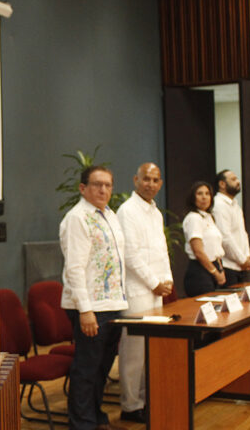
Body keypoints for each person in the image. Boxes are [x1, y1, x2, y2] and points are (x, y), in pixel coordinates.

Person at [60, 165, 128, 430]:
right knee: (87, 369)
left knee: (102, 367)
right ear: (83, 188)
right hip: (89, 307)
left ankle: (95, 415)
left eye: (108, 185)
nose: (103, 190)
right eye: (97, 184)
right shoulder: (78, 218)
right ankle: (82, 423)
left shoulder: (109, 215)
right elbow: (74, 268)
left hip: (112, 303)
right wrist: (85, 310)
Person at [115, 163, 173, 424]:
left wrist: (167, 280)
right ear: (135, 180)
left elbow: (161, 250)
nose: (150, 184)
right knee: (134, 352)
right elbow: (130, 255)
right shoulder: (127, 211)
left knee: (150, 349)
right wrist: (153, 282)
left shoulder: (155, 212)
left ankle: (144, 399)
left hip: (157, 289)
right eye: (146, 179)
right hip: (138, 290)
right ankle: (130, 406)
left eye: (155, 180)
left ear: (160, 184)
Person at [182, 181, 226, 297]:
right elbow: (198, 252)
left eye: (207, 194)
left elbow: (216, 248)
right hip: (200, 272)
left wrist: (220, 270)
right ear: (193, 197)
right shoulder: (194, 218)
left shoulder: (209, 217)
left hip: (213, 268)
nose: (204, 197)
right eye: (199, 194)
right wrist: (215, 273)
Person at [212, 169, 250, 285]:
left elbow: (242, 233)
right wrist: (242, 259)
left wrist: (247, 256)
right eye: (233, 179)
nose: (238, 182)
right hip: (228, 266)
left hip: (241, 265)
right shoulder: (219, 205)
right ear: (222, 184)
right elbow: (225, 237)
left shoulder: (235, 204)